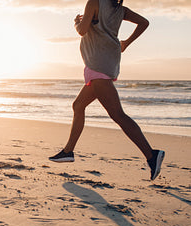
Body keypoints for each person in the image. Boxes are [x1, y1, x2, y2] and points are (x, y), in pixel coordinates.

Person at [49, 0, 164, 180]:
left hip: (97, 63)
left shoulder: (94, 2)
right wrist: (125, 43)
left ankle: (151, 155)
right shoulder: (120, 9)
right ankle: (68, 151)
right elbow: (144, 23)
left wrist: (76, 22)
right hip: (107, 61)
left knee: (117, 114)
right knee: (78, 106)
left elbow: (82, 30)